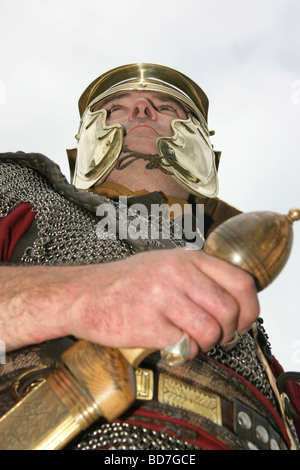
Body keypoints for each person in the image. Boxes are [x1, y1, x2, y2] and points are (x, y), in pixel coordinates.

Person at [0, 63, 299, 450]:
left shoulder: (254, 334)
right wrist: (74, 295)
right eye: (114, 109)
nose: (142, 107)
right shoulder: (15, 189)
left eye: (167, 107)